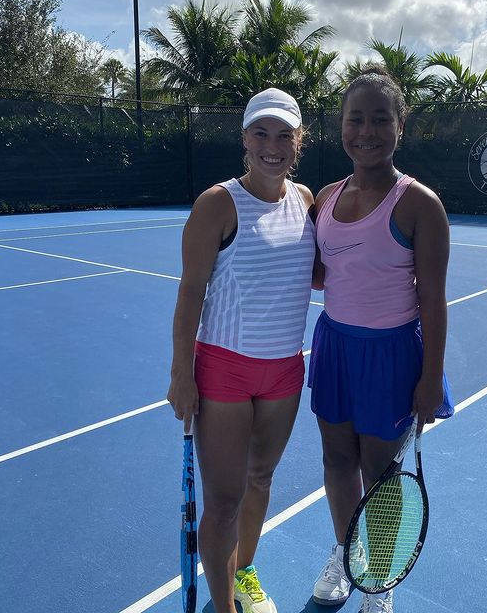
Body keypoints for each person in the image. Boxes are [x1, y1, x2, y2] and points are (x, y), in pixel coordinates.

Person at [308, 68, 454, 613]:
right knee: (336, 460)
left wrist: (430, 378)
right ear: (340, 127)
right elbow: (325, 272)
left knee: (381, 475)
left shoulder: (419, 204)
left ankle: (382, 574)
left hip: (391, 355)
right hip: (334, 348)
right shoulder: (325, 197)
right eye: (355, 119)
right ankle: (350, 553)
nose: (365, 131)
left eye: (379, 119)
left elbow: (433, 300)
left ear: (399, 126)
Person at [167, 87, 315, 613]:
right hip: (224, 370)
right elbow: (190, 291)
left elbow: (321, 274)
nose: (271, 145)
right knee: (224, 500)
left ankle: (245, 572)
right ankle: (224, 605)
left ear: (299, 142)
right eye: (261, 133)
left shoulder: (306, 202)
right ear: (245, 139)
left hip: (284, 372)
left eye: (283, 135)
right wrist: (181, 373)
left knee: (260, 478)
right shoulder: (217, 204)